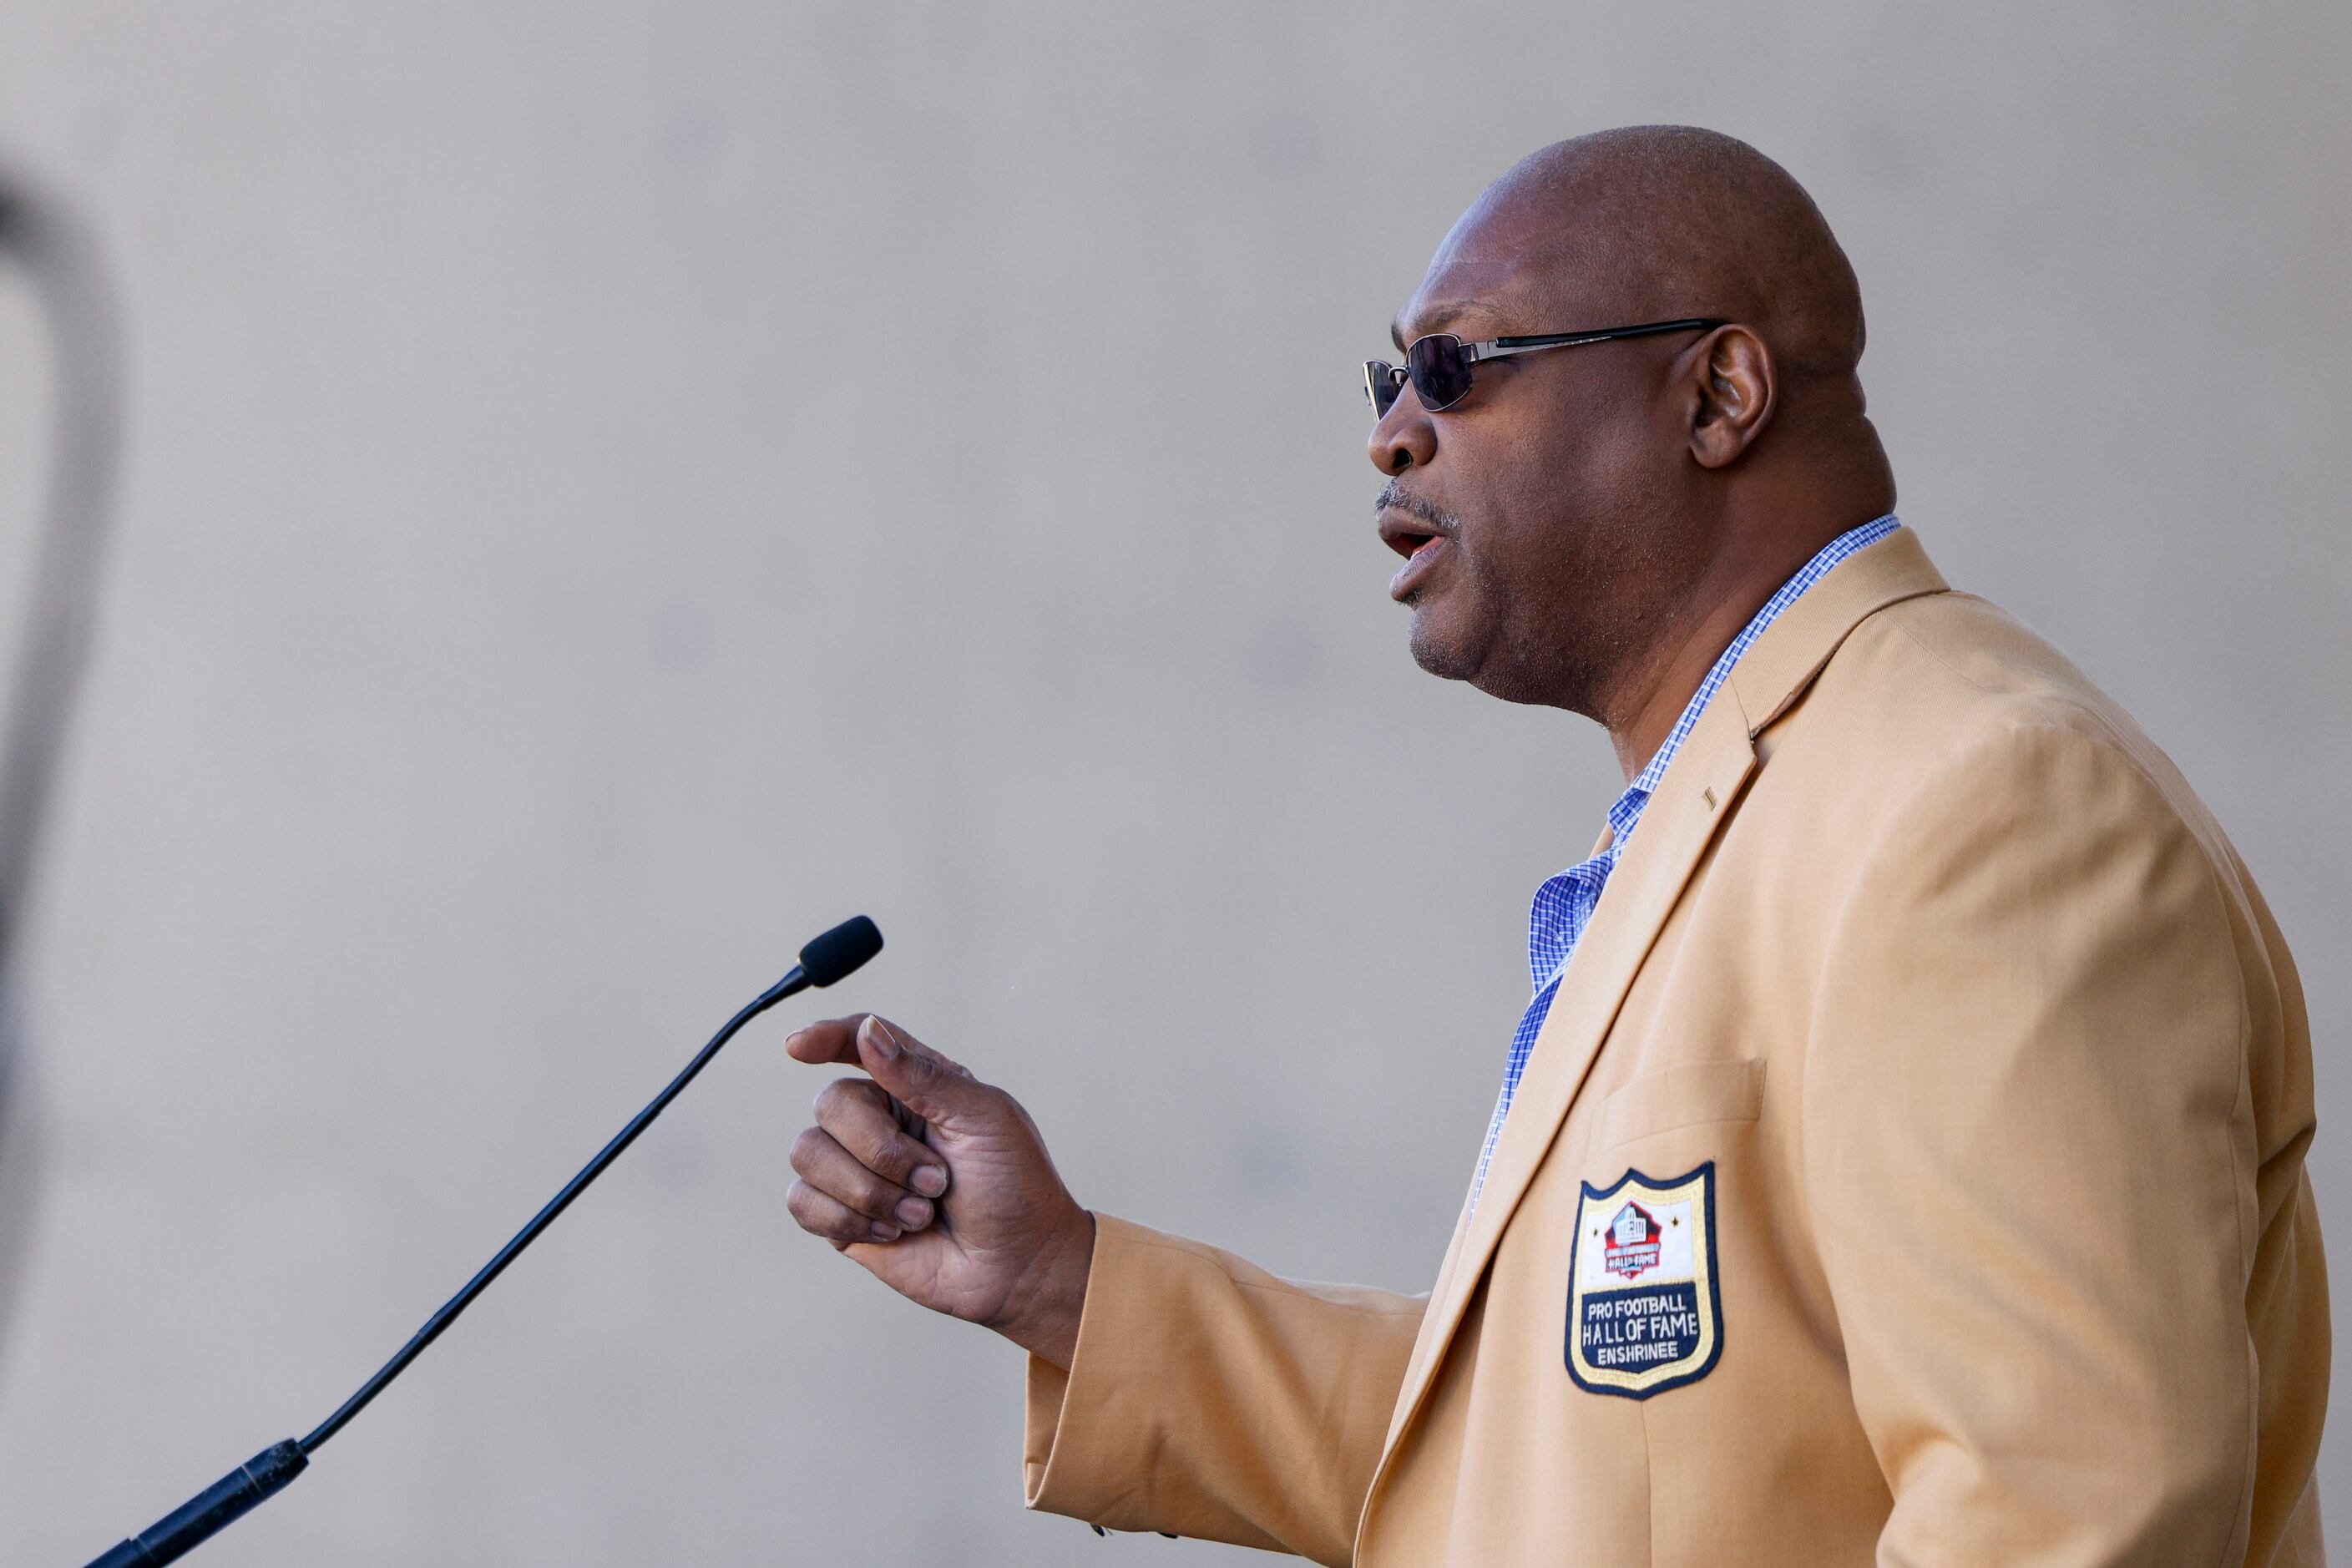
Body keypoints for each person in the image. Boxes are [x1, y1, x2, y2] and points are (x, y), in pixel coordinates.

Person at [780, 126, 2329, 1565]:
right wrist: (1056, 1276)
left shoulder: (1978, 810)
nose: (1392, 435)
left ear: (1716, 397)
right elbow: (1546, 1457)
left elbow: (2068, 1513)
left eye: (1455, 367)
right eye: (1387, 378)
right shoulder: (1743, 808)